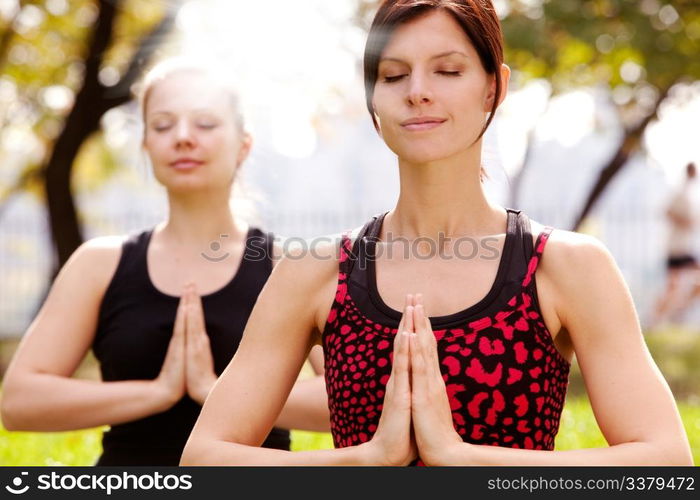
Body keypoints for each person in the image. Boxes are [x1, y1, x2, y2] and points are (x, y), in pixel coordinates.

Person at [180, 0, 692, 466]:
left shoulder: (567, 266)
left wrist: (463, 459)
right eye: (394, 75)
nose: (418, 91)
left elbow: (663, 462)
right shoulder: (317, 271)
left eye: (448, 70)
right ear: (374, 98)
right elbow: (204, 460)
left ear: (495, 87)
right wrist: (365, 460)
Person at [0, 58, 329, 466]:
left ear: (244, 143)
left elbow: (347, 399)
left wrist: (215, 393)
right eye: (162, 125)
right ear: (146, 145)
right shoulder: (99, 264)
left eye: (206, 123)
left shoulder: (289, 265)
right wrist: (159, 391)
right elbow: (19, 402)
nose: (183, 138)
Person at [651, 162, 700, 326]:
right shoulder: (680, 191)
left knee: (673, 286)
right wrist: (686, 222)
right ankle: (659, 317)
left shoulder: (691, 192)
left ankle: (671, 313)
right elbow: (667, 211)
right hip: (677, 247)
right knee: (672, 286)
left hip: (684, 246)